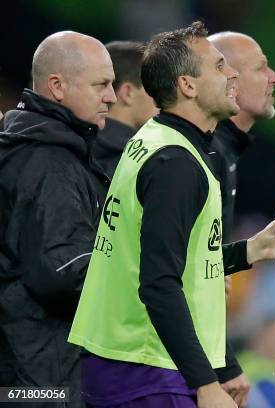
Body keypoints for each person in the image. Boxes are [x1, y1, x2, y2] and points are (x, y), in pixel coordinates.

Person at [68, 21, 275, 408]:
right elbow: (159, 283)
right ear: (188, 85)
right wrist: (207, 382)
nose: (231, 75)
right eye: (218, 67)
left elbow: (170, 259)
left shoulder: (157, 143)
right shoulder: (175, 162)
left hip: (131, 363)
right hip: (147, 368)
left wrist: (248, 251)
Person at [0, 31, 116, 406]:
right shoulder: (49, 163)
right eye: (101, 85)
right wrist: (148, 282)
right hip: (38, 382)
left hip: (28, 371)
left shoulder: (47, 150)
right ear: (57, 86)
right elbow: (65, 271)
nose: (110, 97)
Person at [207, 31, 275, 242]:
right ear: (229, 81)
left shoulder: (223, 149)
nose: (274, 77)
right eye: (260, 68)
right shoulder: (205, 154)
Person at [92, 41, 158, 178]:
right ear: (128, 93)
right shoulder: (135, 162)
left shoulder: (79, 146)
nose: (163, 98)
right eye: (155, 88)